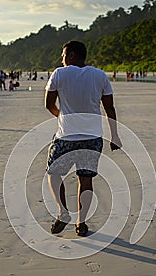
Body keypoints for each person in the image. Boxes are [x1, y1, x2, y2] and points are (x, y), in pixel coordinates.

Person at [45, 40, 122, 237]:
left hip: (66, 137)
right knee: (85, 180)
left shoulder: (60, 74)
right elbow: (109, 108)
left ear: (71, 55)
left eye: (63, 56)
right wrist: (114, 135)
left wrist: (63, 117)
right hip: (92, 137)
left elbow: (49, 103)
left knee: (54, 174)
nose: (61, 60)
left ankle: (63, 212)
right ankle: (81, 222)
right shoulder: (99, 75)